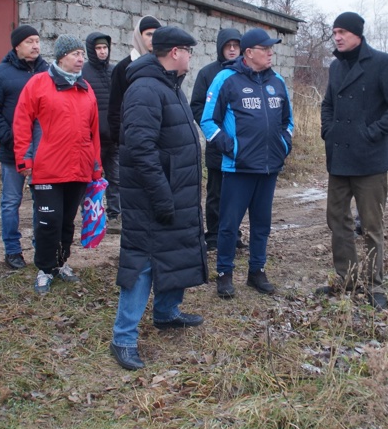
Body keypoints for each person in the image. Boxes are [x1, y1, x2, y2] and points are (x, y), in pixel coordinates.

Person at [110, 26, 207, 371]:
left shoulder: (170, 87)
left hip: (173, 192)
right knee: (143, 262)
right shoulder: (146, 89)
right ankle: (123, 337)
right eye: (189, 51)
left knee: (174, 250)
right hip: (152, 197)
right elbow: (140, 150)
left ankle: (166, 313)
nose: (191, 58)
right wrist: (162, 195)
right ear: (175, 52)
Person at [317, 12, 388, 310]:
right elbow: (328, 103)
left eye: (342, 31)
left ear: (358, 33)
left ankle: (374, 286)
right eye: (334, 32)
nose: (337, 37)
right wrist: (328, 131)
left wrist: (373, 133)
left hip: (369, 160)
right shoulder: (335, 67)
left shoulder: (382, 63)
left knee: (371, 225)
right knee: (338, 221)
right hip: (339, 157)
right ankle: (346, 278)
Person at [201, 28, 294, 298]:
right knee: (229, 225)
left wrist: (283, 145)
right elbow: (208, 121)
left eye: (271, 48)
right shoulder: (225, 79)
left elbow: (288, 120)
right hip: (238, 168)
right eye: (266, 49)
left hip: (268, 168)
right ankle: (224, 274)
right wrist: (232, 149)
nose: (271, 52)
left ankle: (257, 271)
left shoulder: (277, 82)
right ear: (249, 52)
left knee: (262, 224)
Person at [13, 35, 102, 294]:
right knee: (48, 220)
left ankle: (62, 263)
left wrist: (96, 165)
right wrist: (24, 158)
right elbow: (22, 122)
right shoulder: (39, 84)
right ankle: (44, 268)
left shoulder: (86, 88)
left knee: (66, 221)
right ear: (62, 56)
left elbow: (93, 130)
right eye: (76, 54)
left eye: (82, 55)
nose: (81, 59)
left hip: (79, 167)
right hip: (48, 167)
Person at [0, 25, 49, 269]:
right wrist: (12, 139)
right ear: (17, 45)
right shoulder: (0, 74)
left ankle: (42, 246)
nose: (36, 46)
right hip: (12, 153)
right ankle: (12, 250)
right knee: (11, 201)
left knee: (43, 201)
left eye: (38, 41)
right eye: (30, 41)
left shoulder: (49, 72)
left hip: (43, 153)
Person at [190, 27, 247, 252]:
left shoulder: (246, 72)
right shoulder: (208, 73)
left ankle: (234, 232)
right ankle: (213, 234)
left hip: (240, 145)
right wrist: (213, 127)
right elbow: (196, 105)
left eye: (236, 45)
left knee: (238, 192)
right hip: (217, 143)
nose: (232, 50)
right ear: (220, 48)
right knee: (216, 192)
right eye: (228, 46)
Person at [107, 16, 160, 222]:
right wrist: (119, 137)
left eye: (156, 34)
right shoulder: (124, 67)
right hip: (131, 139)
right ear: (139, 36)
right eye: (148, 34)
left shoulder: (163, 65)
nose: (152, 39)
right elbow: (114, 106)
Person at [82, 31, 120, 231]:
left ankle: (115, 215)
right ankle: (90, 215)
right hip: (92, 140)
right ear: (91, 50)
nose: (103, 51)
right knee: (91, 179)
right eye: (98, 48)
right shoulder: (84, 73)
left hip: (113, 138)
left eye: (105, 47)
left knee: (115, 178)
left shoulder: (114, 72)